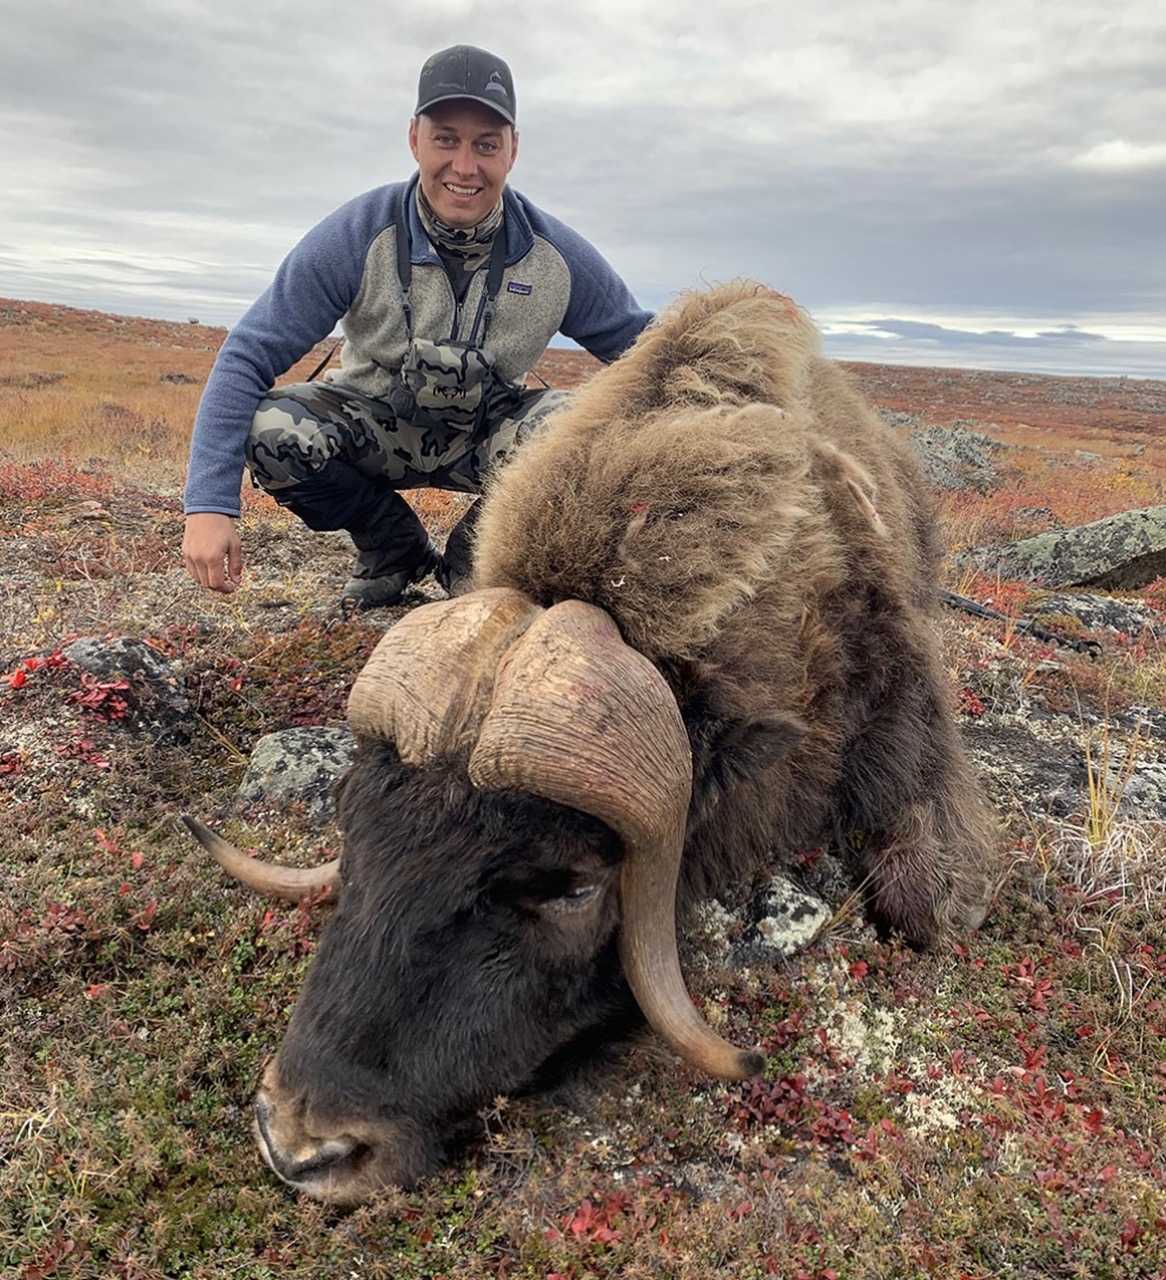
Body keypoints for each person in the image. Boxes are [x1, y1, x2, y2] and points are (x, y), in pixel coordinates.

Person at [182, 44, 653, 610]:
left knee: (594, 433)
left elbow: (653, 352)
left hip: (489, 437)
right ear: (414, 139)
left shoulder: (556, 257)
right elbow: (248, 353)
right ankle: (392, 545)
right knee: (272, 428)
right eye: (445, 139)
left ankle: (473, 558)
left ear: (513, 151)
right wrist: (208, 504)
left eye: (486, 145)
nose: (465, 166)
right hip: (373, 426)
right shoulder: (355, 235)